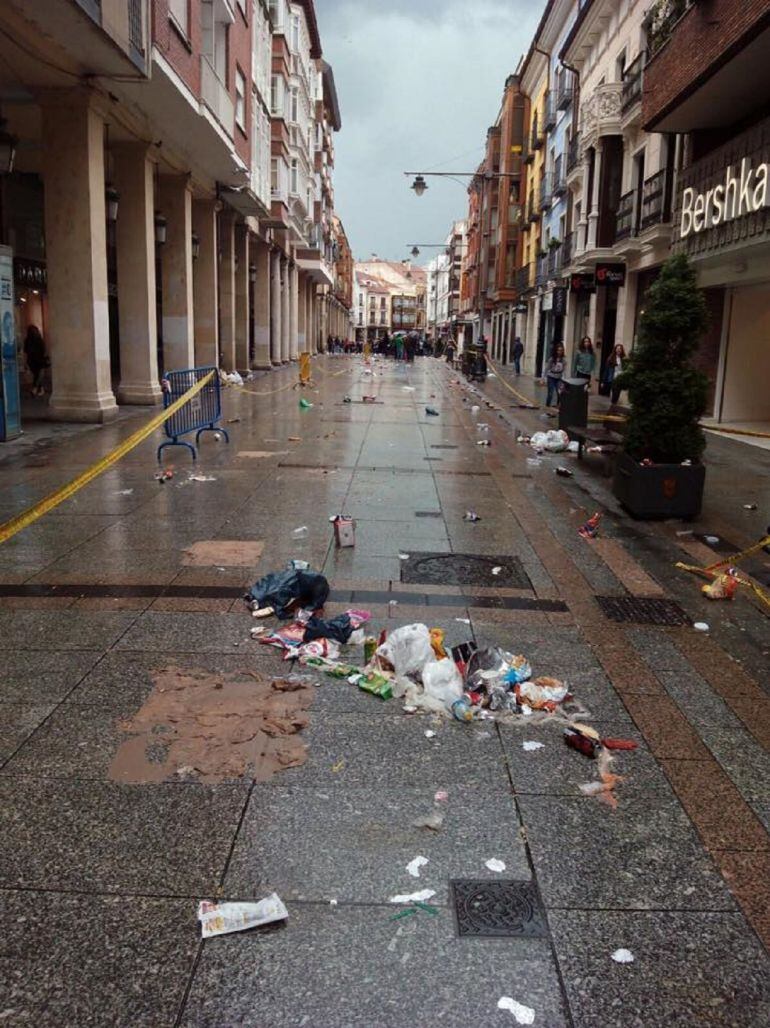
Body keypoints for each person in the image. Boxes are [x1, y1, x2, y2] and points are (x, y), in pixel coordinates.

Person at [24, 325, 47, 396]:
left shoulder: (27, 340)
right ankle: (35, 389)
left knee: (37, 375)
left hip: (31, 360)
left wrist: (26, 362)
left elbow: (26, 351)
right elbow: (43, 350)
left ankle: (40, 389)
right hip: (40, 360)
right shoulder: (39, 339)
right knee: (39, 375)